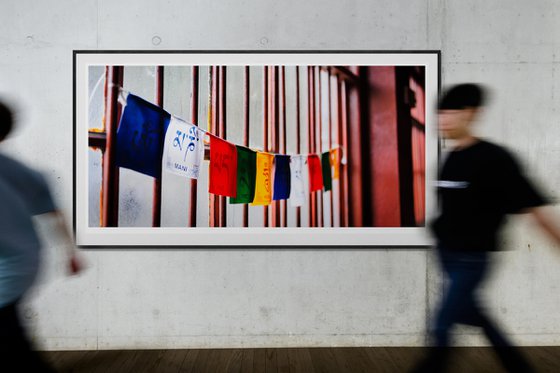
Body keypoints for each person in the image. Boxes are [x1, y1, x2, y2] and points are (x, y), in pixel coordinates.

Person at [412, 83, 560, 373]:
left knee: (442, 325)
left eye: (451, 114)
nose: (443, 121)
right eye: (440, 114)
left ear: (471, 114)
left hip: (472, 259)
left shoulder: (495, 158)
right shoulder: (450, 158)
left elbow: (532, 207)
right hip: (447, 256)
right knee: (480, 318)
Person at [0, 99, 83, 371]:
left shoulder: (15, 171)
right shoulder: (20, 171)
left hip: (12, 265)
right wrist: (69, 252)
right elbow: (53, 212)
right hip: (21, 261)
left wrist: (70, 252)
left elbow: (52, 211)